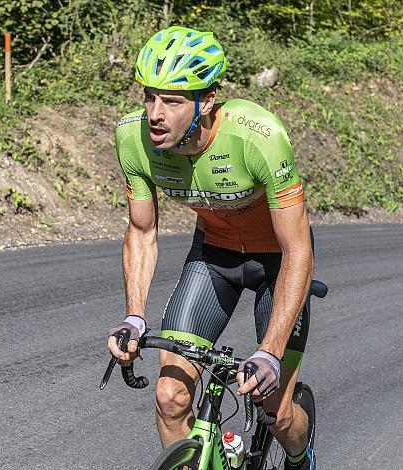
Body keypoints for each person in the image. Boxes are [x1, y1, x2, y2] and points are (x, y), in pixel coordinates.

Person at [107, 26, 316, 469]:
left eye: (173, 100)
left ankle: (301, 457)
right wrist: (134, 315)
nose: (155, 114)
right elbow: (142, 232)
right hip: (215, 256)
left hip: (278, 261)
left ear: (207, 101)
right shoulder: (134, 140)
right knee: (169, 396)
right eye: (149, 96)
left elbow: (298, 251)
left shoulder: (257, 136)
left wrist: (269, 353)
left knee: (276, 411)